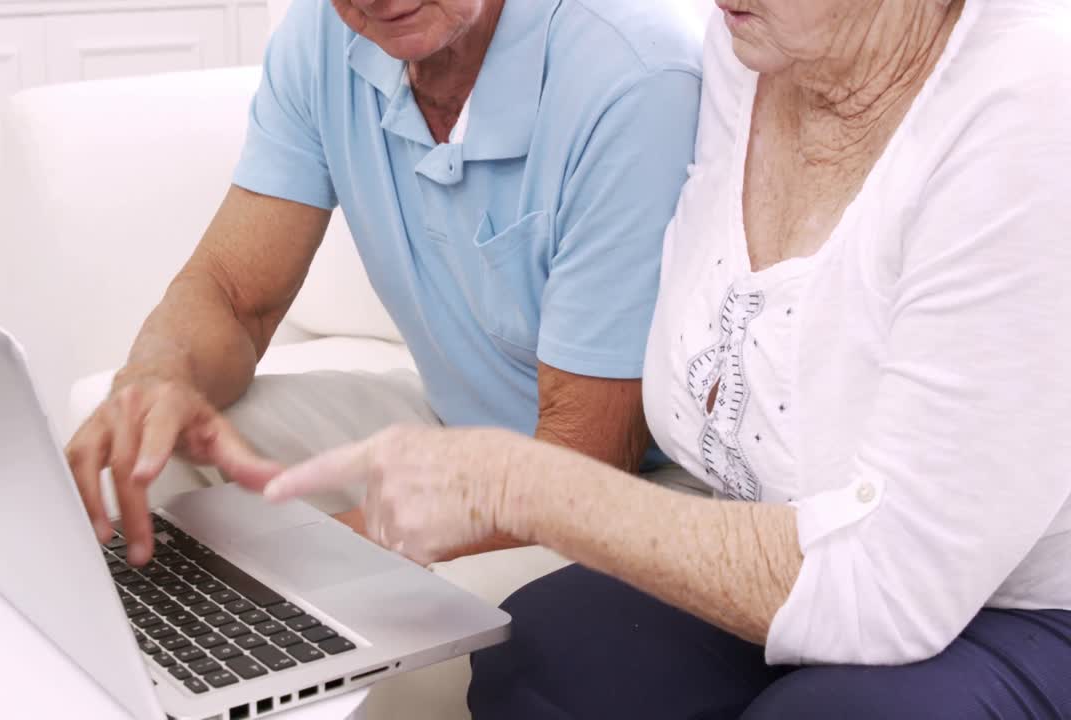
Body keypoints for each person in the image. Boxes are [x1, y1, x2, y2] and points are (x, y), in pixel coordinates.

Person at [224, 0, 1071, 716]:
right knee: (549, 655)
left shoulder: (1029, 111)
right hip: (776, 532)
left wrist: (519, 482)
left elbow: (891, 585)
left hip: (1012, 601)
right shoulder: (753, 49)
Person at [64, 0, 702, 568]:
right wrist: (157, 375)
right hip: (453, 427)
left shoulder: (634, 75)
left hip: (614, 493)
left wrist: (283, 567)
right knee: (155, 446)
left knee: (286, 588)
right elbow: (234, 295)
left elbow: (583, 463)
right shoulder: (325, 34)